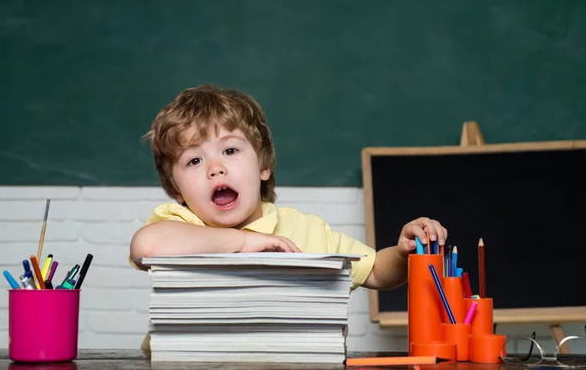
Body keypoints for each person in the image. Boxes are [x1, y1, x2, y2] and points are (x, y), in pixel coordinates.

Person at [130, 84, 448, 291]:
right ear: (176, 190)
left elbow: (377, 271)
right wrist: (243, 242)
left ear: (263, 166)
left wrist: (405, 253)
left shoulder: (303, 229)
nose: (216, 168)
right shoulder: (178, 224)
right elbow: (148, 247)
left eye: (230, 150)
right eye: (194, 161)